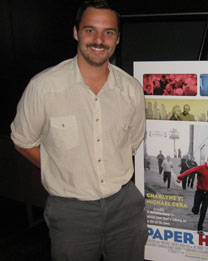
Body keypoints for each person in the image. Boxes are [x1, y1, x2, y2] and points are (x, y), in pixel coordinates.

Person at [10, 1, 147, 260]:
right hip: (71, 212)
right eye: (89, 30)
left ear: (117, 38)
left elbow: (133, 141)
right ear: (76, 32)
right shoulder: (44, 87)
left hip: (125, 207)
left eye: (108, 32)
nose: (99, 40)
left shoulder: (131, 89)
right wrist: (60, 169)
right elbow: (22, 140)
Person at [176, 155, 208, 235]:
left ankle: (200, 228)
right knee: (195, 210)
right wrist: (180, 177)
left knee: (203, 211)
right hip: (199, 192)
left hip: (207, 194)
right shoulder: (201, 168)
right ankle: (195, 209)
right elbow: (190, 171)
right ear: (207, 161)